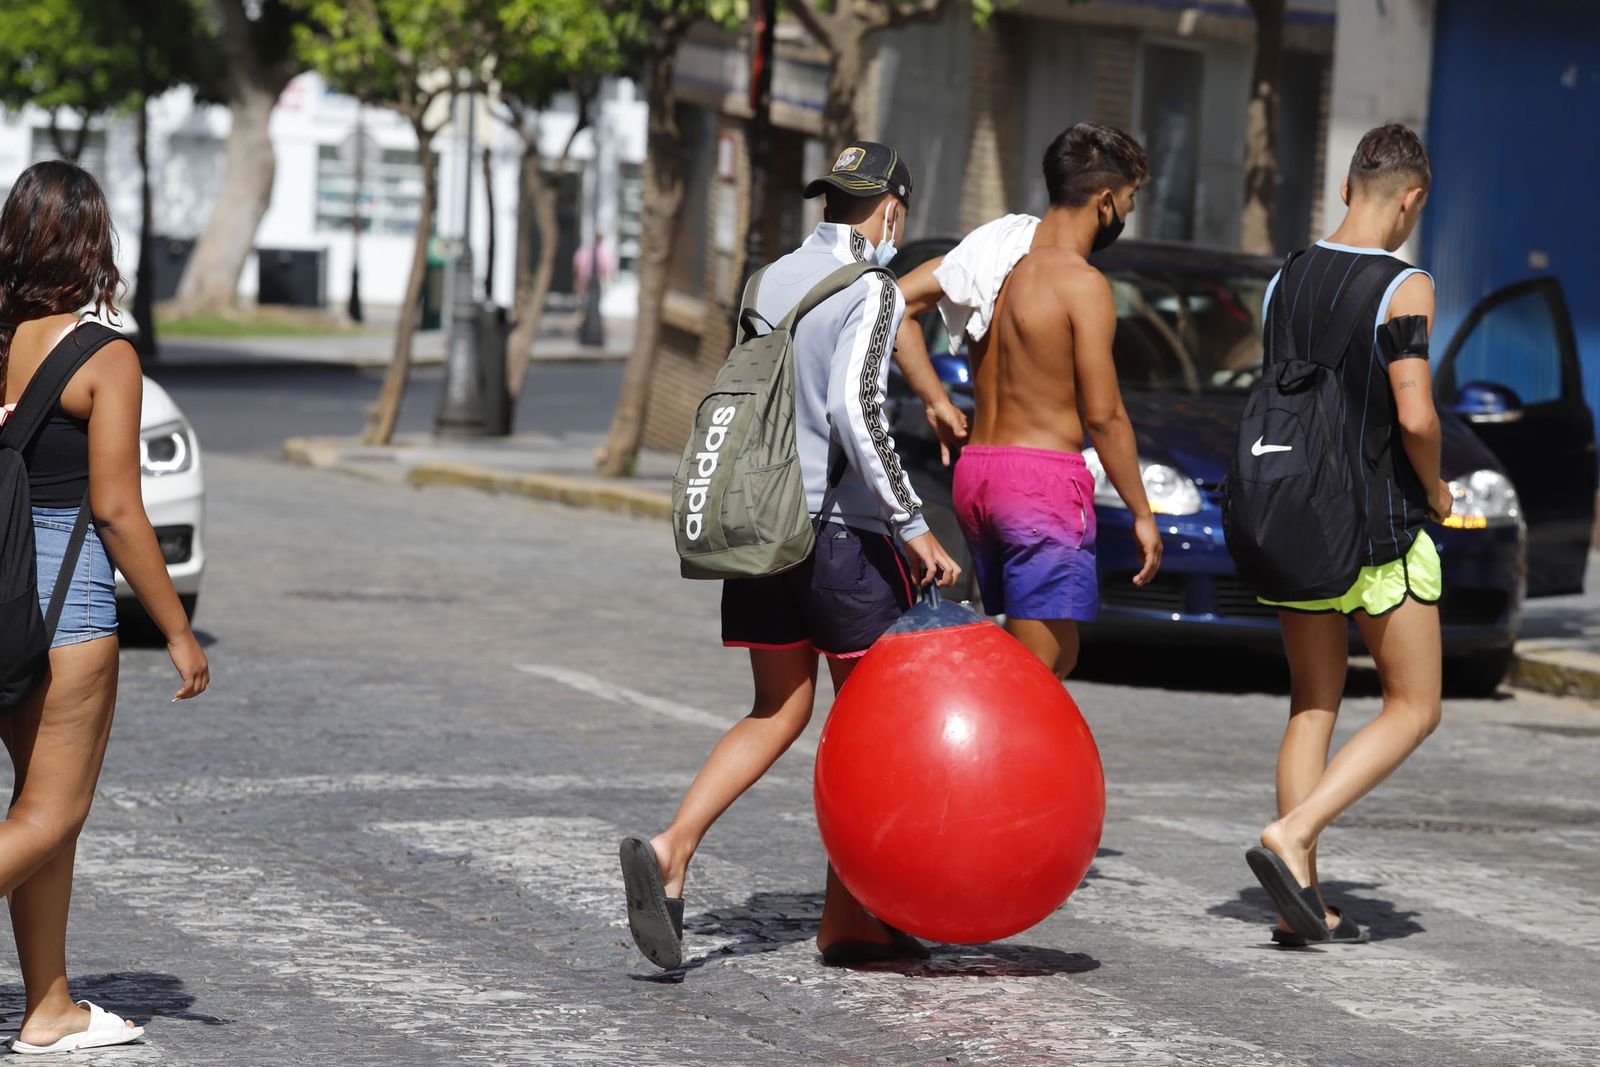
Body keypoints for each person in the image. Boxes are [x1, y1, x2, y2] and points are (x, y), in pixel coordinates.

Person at [619, 141, 962, 971]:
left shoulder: (767, 280)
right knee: (871, 728)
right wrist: (914, 522)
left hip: (761, 527)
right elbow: (855, 410)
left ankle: (675, 845)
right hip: (839, 537)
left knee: (776, 708)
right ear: (893, 212)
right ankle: (851, 919)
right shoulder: (875, 288)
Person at [0, 161, 210, 1053]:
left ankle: (49, 1007)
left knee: (37, 812)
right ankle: (48, 1008)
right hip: (57, 604)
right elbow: (120, 512)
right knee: (52, 813)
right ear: (95, 246)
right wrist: (177, 628)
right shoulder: (104, 356)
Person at [1243, 124, 1451, 945]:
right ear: (1412, 200)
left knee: (1313, 702)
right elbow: (1415, 415)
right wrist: (1434, 487)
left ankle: (1301, 896)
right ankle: (1292, 835)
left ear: (1344, 189)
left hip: (1291, 515)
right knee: (1415, 704)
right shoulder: (1406, 286)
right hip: (1373, 527)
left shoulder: (1284, 279)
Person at [892, 122, 1163, 677]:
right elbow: (1104, 415)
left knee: (1053, 654)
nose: (1129, 214)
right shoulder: (1080, 283)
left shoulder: (996, 263)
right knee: (1032, 672)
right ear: (1105, 201)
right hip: (1039, 484)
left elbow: (890, 306)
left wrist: (938, 401)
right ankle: (972, 752)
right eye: (1131, 200)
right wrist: (1142, 513)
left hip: (979, 475)